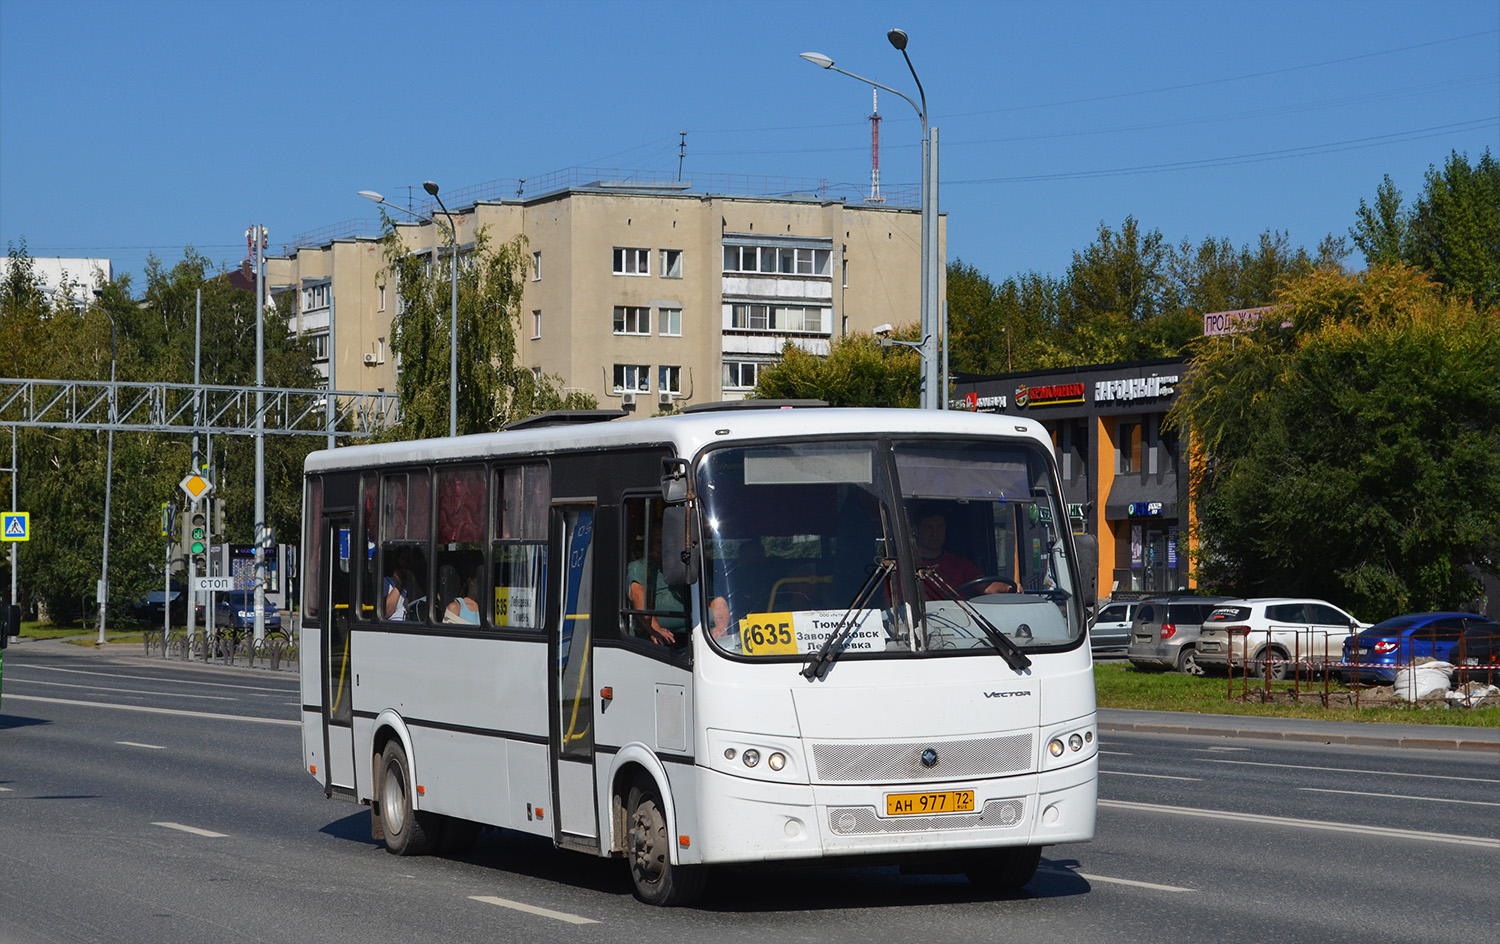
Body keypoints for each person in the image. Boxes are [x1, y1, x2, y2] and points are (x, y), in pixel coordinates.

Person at [912, 505, 1010, 599]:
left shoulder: (959, 563)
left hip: (958, 615)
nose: (935, 533)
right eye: (929, 527)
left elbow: (987, 587)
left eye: (940, 527)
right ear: (916, 531)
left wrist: (1007, 588)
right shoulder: (905, 567)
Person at [627, 542, 688, 646]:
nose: (661, 547)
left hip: (700, 634)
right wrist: (655, 629)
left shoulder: (684, 566)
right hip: (660, 640)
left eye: (665, 542)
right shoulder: (639, 567)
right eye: (657, 542)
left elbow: (716, 599)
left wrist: (720, 628)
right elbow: (637, 597)